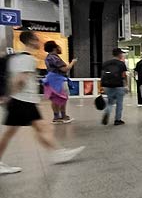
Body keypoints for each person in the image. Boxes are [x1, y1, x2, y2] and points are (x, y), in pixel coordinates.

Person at [0, 31, 85, 174]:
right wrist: (11, 96)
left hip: (22, 100)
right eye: (36, 40)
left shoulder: (16, 57)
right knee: (20, 131)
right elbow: (19, 80)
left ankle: (57, 153)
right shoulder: (27, 59)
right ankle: (58, 153)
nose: (39, 43)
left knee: (40, 128)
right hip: (22, 101)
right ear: (31, 41)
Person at [42, 41, 77, 124]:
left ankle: (56, 116)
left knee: (54, 98)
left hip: (51, 80)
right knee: (63, 97)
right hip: (58, 80)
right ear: (54, 48)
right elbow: (65, 69)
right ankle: (63, 116)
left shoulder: (48, 57)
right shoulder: (54, 58)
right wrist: (73, 62)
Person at [100, 48, 128, 125]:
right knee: (119, 103)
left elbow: (102, 75)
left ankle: (107, 112)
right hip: (118, 85)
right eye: (122, 53)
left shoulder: (106, 63)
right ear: (119, 54)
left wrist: (102, 85)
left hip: (107, 85)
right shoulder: (121, 63)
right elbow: (124, 75)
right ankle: (117, 120)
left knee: (110, 102)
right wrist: (126, 85)